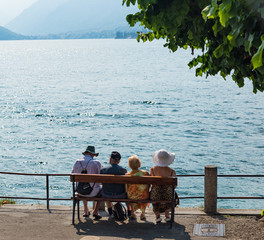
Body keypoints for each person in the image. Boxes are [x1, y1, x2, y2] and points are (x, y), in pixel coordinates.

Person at [72, 145, 102, 220]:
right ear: (92, 154)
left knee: (83, 184)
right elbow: (101, 177)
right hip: (93, 193)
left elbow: (72, 174)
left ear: (85, 153)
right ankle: (95, 211)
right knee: (101, 189)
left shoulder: (77, 162)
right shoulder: (96, 163)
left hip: (80, 191)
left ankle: (86, 210)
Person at [149, 149, 177, 223]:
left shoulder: (152, 169)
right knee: (171, 194)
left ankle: (157, 216)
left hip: (155, 194)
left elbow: (150, 182)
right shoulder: (172, 171)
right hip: (168, 195)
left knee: (155, 195)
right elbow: (175, 185)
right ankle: (167, 214)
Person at [100, 151, 127, 216]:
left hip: (106, 194)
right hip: (120, 195)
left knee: (106, 189)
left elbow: (101, 183)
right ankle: (128, 212)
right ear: (119, 161)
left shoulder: (103, 169)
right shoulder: (123, 170)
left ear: (110, 159)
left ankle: (110, 210)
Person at [126, 155, 150, 220]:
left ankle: (133, 212)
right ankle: (143, 213)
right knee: (145, 192)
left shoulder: (127, 175)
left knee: (130, 193)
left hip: (132, 196)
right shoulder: (145, 173)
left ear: (130, 165)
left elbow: (126, 187)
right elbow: (149, 185)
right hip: (144, 196)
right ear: (139, 163)